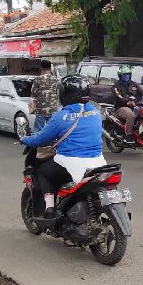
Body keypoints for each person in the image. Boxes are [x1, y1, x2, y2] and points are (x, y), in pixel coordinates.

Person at [20, 75, 106, 219]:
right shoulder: (96, 112)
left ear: (65, 94)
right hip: (98, 162)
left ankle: (49, 209)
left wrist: (25, 139)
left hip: (71, 162)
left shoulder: (62, 116)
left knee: (42, 171)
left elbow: (41, 139)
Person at [30, 60, 60, 134]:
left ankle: (40, 144)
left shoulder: (37, 79)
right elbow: (58, 94)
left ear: (41, 68)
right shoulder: (55, 80)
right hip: (53, 109)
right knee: (51, 130)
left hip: (40, 109)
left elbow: (33, 94)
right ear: (50, 68)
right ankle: (51, 144)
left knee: (39, 130)